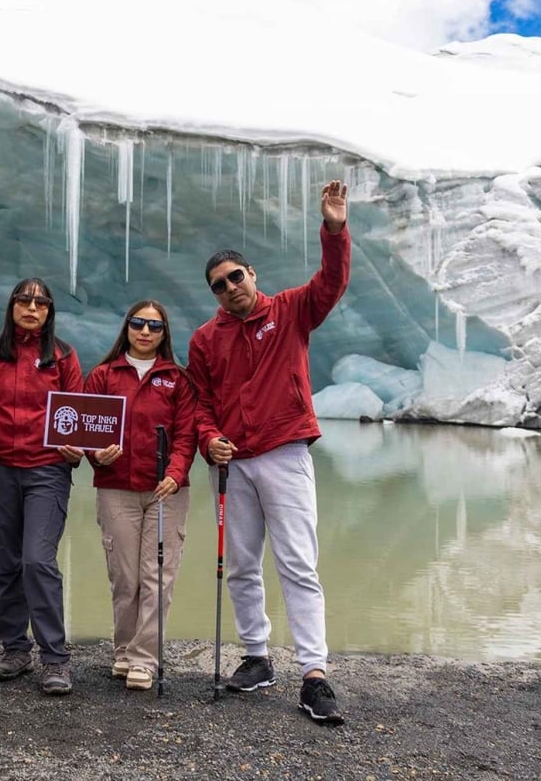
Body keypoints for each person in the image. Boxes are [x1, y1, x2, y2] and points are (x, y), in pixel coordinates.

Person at [187, 179, 350, 725]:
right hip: (233, 464)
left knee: (298, 563)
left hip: (284, 453)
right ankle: (256, 656)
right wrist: (209, 438)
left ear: (252, 274)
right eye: (219, 285)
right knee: (240, 565)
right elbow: (201, 402)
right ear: (213, 294)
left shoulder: (292, 310)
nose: (230, 287)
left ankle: (314, 674)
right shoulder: (206, 339)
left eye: (236, 276)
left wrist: (334, 229)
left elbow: (331, 282)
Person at [61, 300, 197, 691]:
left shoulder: (177, 380)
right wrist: (95, 456)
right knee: (124, 577)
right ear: (127, 328)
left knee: (157, 577)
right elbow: (87, 429)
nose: (145, 332)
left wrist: (175, 473)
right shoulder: (103, 376)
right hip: (116, 487)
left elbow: (186, 435)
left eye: (154, 326)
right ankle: (123, 650)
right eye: (138, 323)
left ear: (164, 333)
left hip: (165, 491)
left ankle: (144, 659)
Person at [0, 278, 83, 695]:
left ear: (50, 311)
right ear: (12, 305)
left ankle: (55, 658)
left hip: (47, 470)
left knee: (37, 560)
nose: (32, 308)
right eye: (24, 300)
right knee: (7, 561)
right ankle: (15, 648)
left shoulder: (63, 356)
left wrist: (76, 448)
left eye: (41, 302)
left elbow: (78, 412)